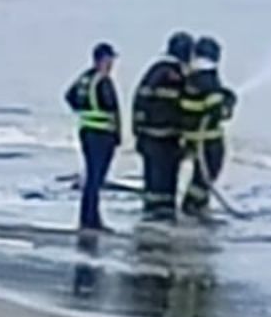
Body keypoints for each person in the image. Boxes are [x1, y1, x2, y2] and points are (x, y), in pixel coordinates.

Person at [132, 31, 194, 223]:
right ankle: (161, 218)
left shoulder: (154, 71)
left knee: (153, 182)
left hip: (148, 138)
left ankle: (151, 214)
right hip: (166, 140)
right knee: (165, 184)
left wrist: (137, 133)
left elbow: (139, 103)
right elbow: (185, 107)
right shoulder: (176, 76)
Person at [65, 42, 122, 231]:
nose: (112, 64)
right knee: (96, 178)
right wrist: (117, 135)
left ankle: (89, 217)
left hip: (86, 131)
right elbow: (112, 107)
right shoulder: (103, 82)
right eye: (110, 59)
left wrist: (82, 110)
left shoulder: (85, 78)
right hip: (101, 134)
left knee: (92, 176)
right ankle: (91, 219)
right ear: (103, 60)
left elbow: (69, 96)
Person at [179, 36, 237, 220]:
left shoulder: (191, 76)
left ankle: (197, 205)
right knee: (208, 173)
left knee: (201, 175)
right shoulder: (209, 78)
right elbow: (216, 111)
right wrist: (228, 103)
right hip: (208, 139)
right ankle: (193, 206)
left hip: (193, 137)